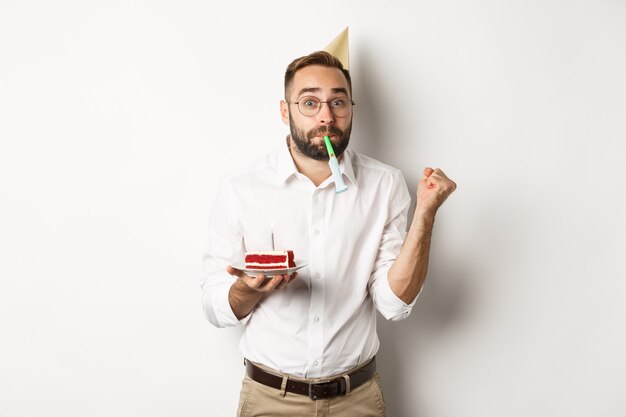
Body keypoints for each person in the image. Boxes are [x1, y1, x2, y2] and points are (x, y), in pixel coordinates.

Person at [201, 50, 456, 417]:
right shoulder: (240, 189)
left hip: (358, 400)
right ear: (285, 111)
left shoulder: (385, 185)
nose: (326, 115)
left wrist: (426, 213)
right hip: (271, 399)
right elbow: (214, 307)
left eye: (338, 101)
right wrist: (246, 289)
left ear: (351, 108)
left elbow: (393, 304)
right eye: (310, 102)